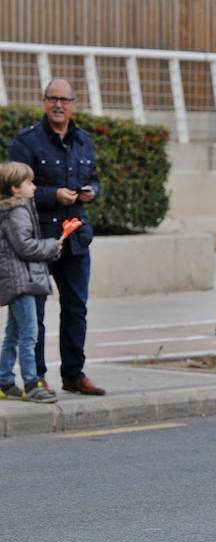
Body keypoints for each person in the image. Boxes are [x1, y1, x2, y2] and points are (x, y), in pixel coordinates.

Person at [9, 79, 105, 396]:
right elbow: (12, 188)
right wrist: (53, 196)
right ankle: (36, 377)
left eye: (65, 99)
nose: (59, 105)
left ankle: (74, 374)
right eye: (53, 98)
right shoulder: (27, 142)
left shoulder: (83, 141)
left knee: (76, 309)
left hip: (75, 239)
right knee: (34, 313)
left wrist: (91, 191)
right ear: (44, 102)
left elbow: (92, 177)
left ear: (74, 103)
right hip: (39, 241)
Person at [0, 162, 63, 403]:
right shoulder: (17, 212)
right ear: (15, 188)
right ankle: (31, 383)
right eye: (29, 183)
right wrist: (50, 245)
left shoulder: (19, 208)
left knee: (14, 333)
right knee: (29, 334)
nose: (34, 186)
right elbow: (25, 246)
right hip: (21, 282)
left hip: (21, 279)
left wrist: (50, 249)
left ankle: (4, 381)